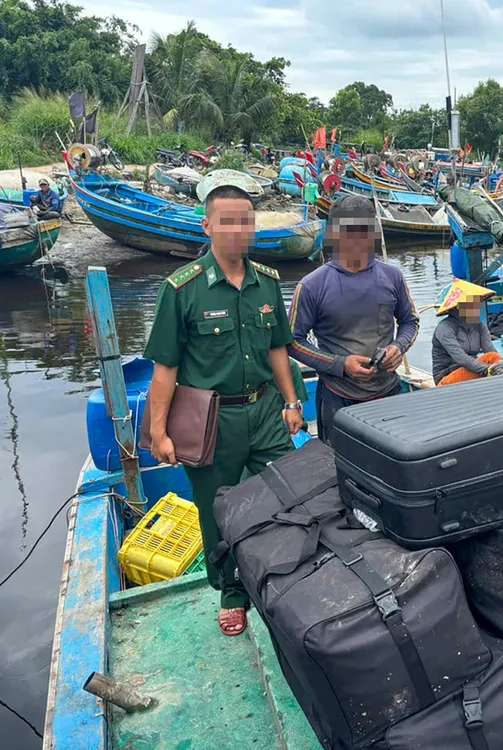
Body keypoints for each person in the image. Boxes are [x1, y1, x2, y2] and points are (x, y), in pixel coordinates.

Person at [143, 172, 308, 637]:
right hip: (211, 419)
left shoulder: (268, 284)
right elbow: (165, 370)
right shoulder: (182, 289)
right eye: (227, 222)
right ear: (207, 227)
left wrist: (293, 401)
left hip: (265, 411)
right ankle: (231, 591)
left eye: (245, 222)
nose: (238, 231)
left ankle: (284, 576)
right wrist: (159, 432)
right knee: (219, 509)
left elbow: (279, 350)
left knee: (288, 491)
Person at [289, 194, 419, 442]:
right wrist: (340, 364)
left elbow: (409, 321)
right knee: (341, 468)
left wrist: (397, 347)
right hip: (338, 397)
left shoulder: (392, 277)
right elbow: (293, 341)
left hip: (388, 393)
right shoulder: (312, 285)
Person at [431, 279, 503, 385]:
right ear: (457, 307)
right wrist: (488, 370)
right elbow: (462, 359)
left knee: (495, 358)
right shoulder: (445, 328)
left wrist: (502, 364)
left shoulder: (479, 326)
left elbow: (491, 352)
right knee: (492, 362)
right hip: (446, 378)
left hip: (471, 370)